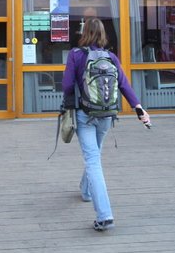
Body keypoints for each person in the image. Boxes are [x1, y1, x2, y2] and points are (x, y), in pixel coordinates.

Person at [62, 18, 150, 232]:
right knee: (94, 154)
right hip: (107, 115)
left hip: (84, 114)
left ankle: (104, 215)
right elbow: (124, 85)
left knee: (92, 159)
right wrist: (139, 109)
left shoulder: (75, 55)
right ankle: (86, 191)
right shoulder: (111, 57)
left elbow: (66, 86)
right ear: (102, 34)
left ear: (84, 33)